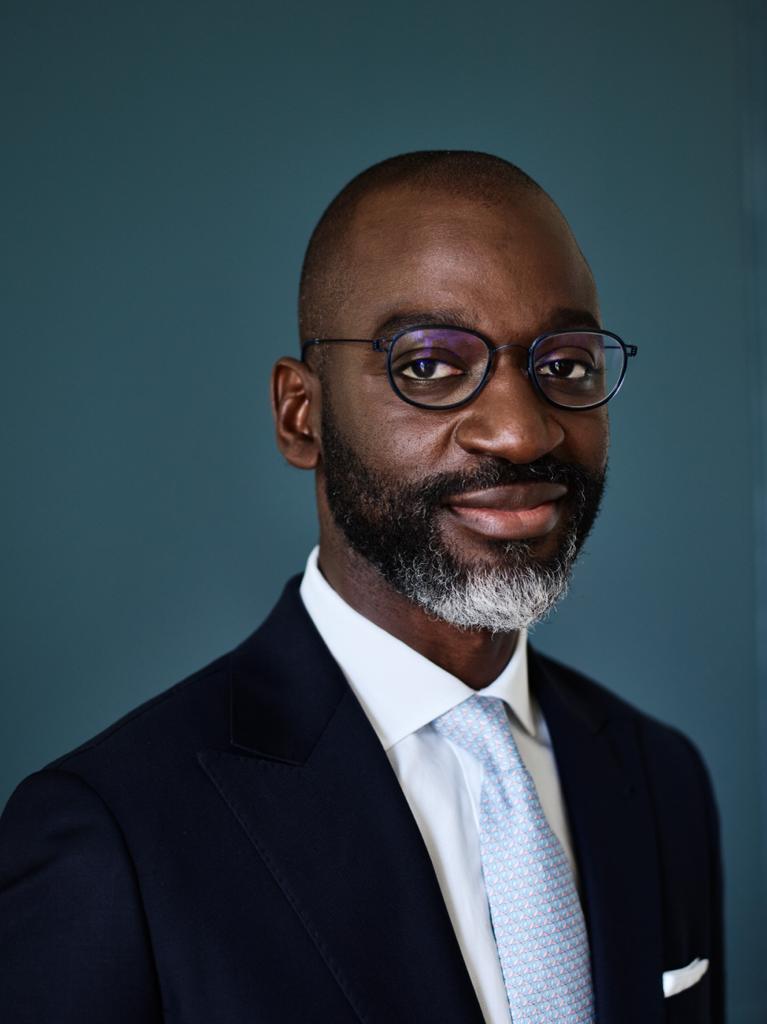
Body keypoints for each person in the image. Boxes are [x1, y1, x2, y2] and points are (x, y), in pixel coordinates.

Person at [0, 151, 722, 1023]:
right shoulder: (109, 838)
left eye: (564, 365)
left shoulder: (659, 776)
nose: (520, 432)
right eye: (429, 365)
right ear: (300, 414)